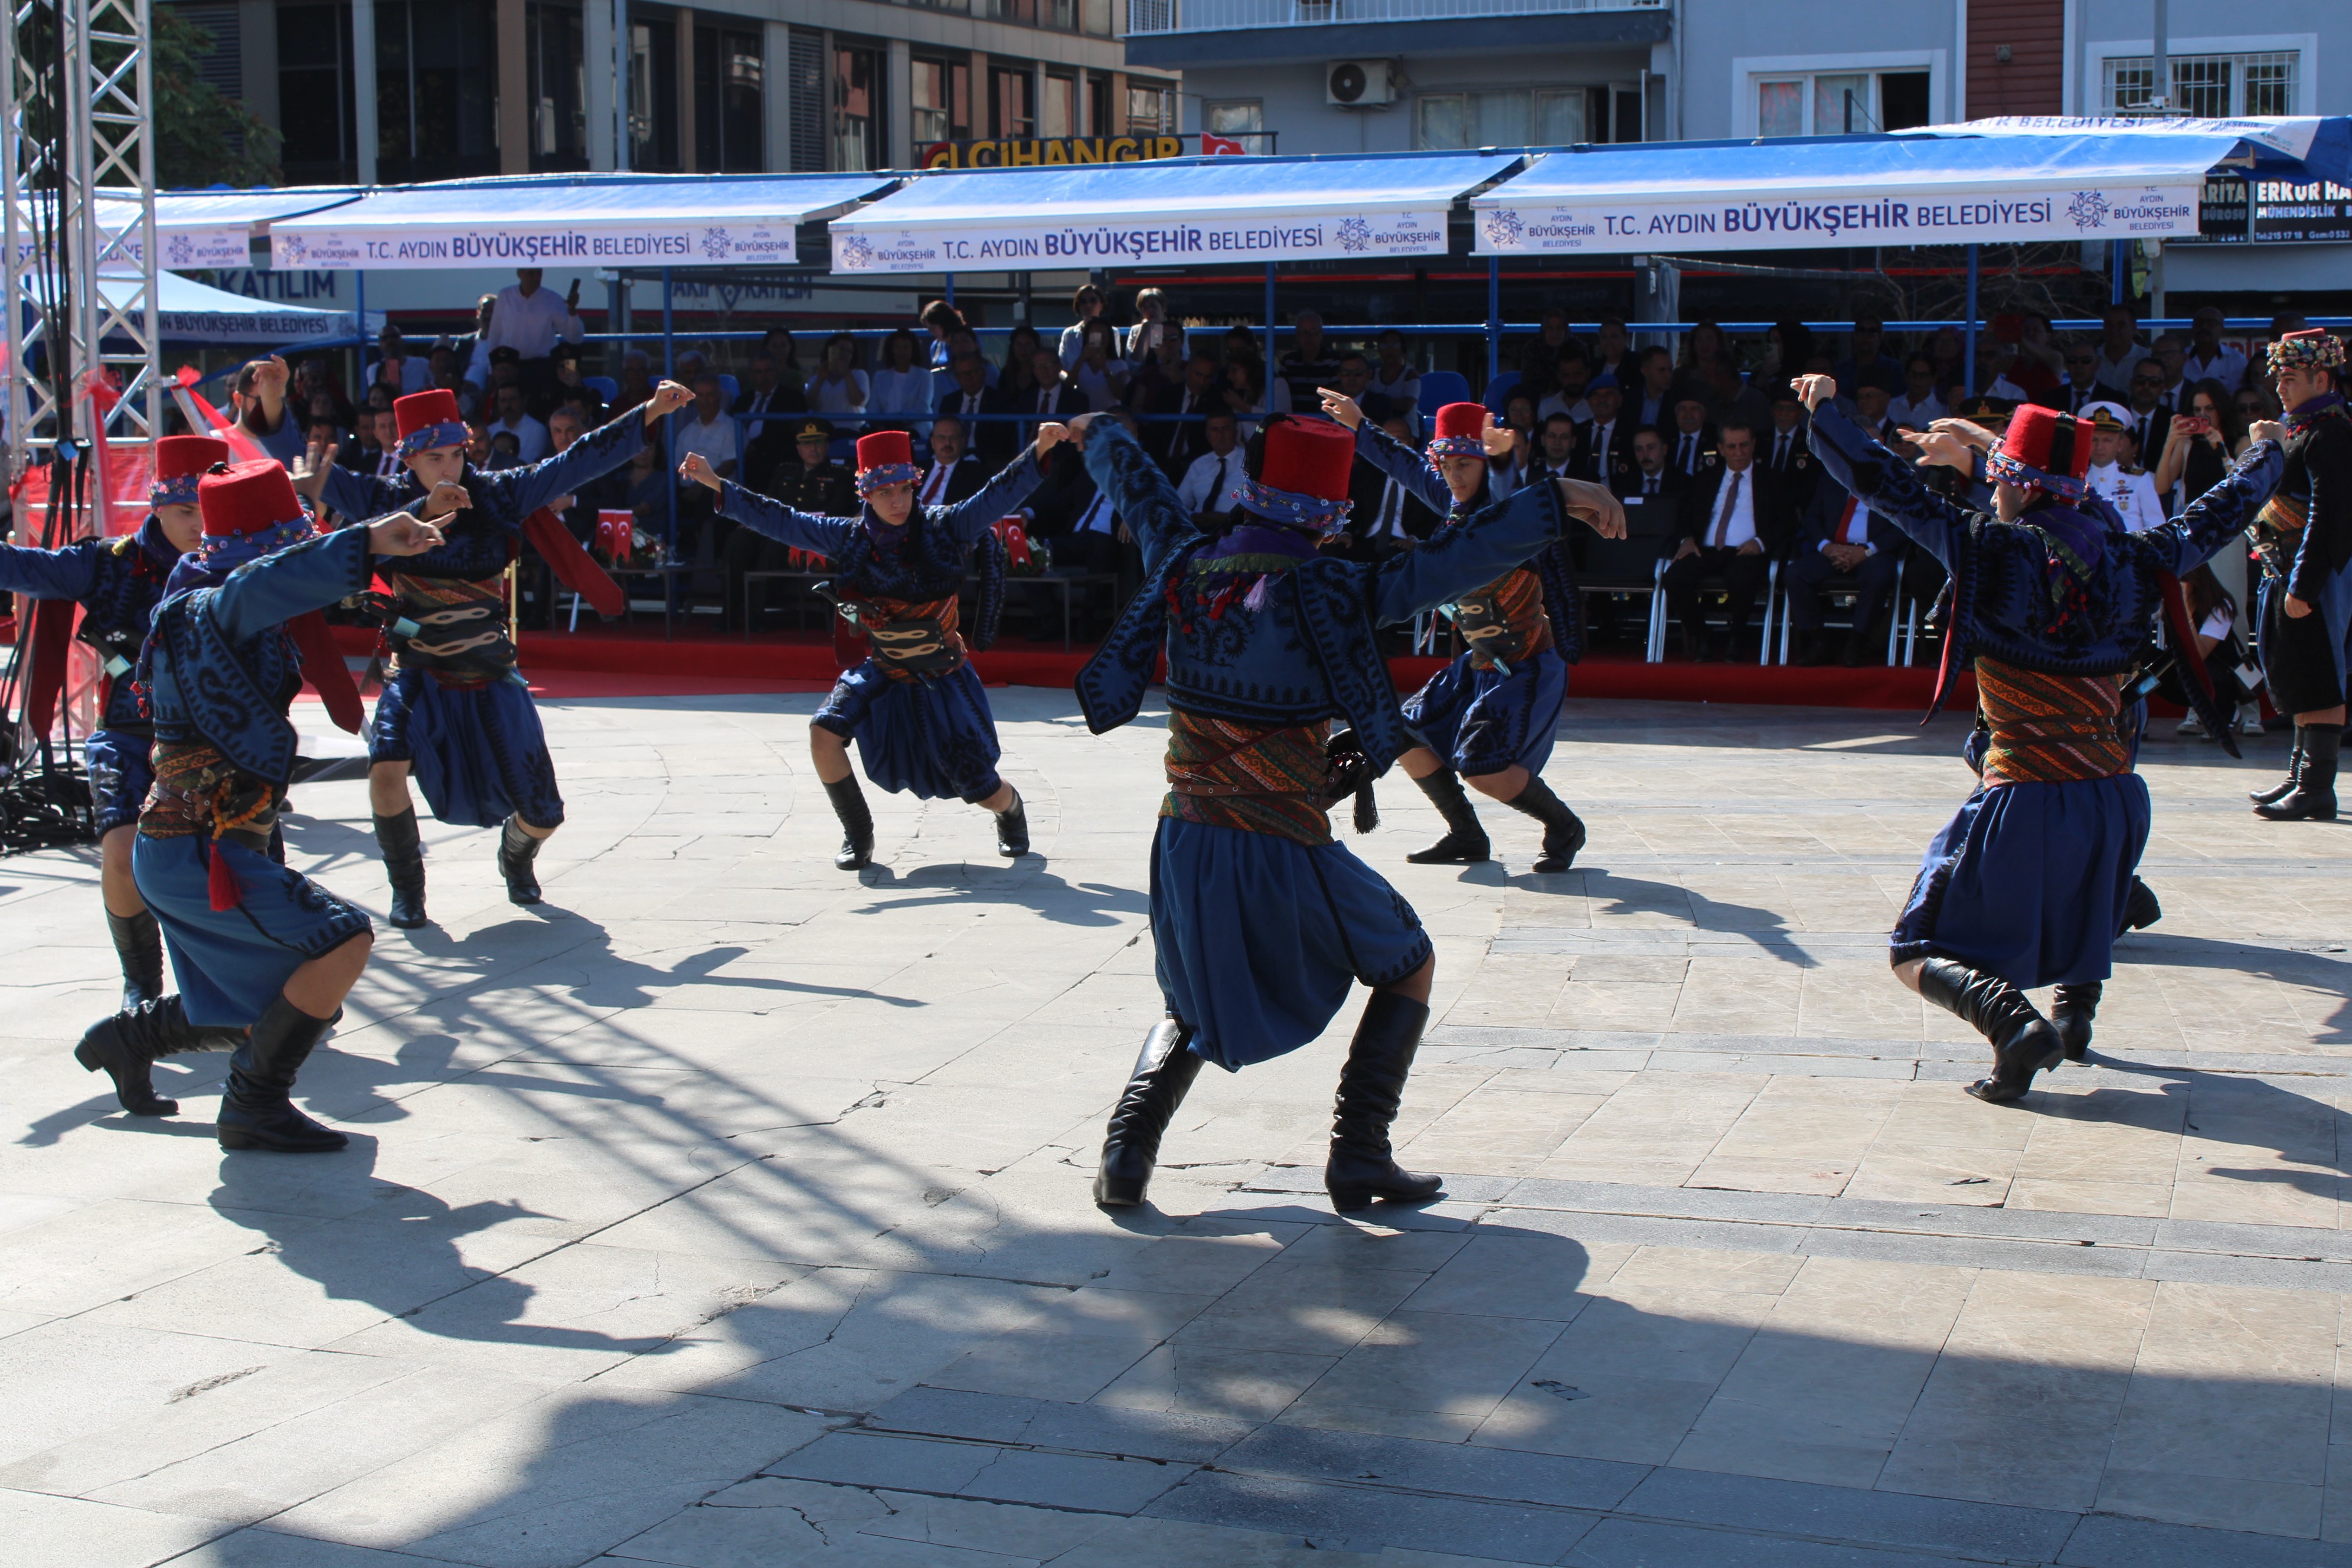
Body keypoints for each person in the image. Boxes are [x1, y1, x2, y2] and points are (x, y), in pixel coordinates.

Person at [1067, 407, 1625, 1212]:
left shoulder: (1185, 560)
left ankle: (1124, 1162)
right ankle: (1359, 1154)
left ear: (1254, 494)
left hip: (1183, 834)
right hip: (1279, 840)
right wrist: (1556, 496)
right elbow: (1453, 559)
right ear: (1329, 516)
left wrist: (1102, 434)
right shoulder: (1332, 588)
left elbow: (1145, 494)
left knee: (1189, 998)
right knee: (1407, 960)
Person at [1798, 374, 2284, 1102]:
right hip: (2117, 797)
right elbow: (2222, 513)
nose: (1992, 493)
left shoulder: (1987, 549)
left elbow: (1883, 483)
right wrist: (2266, 457)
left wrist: (1826, 411)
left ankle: (2014, 1026)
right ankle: (2075, 1018)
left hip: (2027, 796)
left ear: (2019, 487)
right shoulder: (2137, 556)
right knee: (2087, 905)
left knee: (1916, 945)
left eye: (1999, 481)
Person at [71, 460, 445, 1149]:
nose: (298, 554)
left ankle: (129, 1038)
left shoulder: (220, 604)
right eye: (290, 543)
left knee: (280, 997)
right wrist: (365, 542)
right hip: (195, 850)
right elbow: (261, 585)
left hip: (217, 845)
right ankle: (252, 1105)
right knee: (343, 941)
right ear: (257, 553)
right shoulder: (208, 607)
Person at [299, 381, 694, 926]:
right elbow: (281, 470)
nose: (448, 468)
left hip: (489, 668)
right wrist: (277, 420)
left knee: (543, 813)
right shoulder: (382, 500)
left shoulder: (500, 494)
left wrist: (648, 412)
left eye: (456, 455)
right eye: (433, 458)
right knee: (385, 766)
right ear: (408, 457)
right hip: (415, 668)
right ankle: (408, 890)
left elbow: (577, 461)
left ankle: (517, 857)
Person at [682, 424, 1067, 866]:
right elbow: (781, 519)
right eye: (885, 492)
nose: (897, 501)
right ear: (866, 494)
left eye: (904, 489)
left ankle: (1012, 810)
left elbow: (996, 496)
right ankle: (857, 834)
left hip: (940, 673)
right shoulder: (847, 538)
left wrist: (1039, 448)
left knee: (978, 785)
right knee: (823, 732)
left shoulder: (947, 527)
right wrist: (716, 483)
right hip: (884, 667)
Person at [0, 437, 218, 1067]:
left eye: (211, 510)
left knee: (233, 866)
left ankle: (254, 981)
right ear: (160, 506)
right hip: (128, 736)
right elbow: (28, 569)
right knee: (122, 852)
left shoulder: (240, 562)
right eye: (189, 513)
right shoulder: (109, 564)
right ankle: (142, 984)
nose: (202, 527)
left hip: (216, 743)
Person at [1324, 395, 1590, 874]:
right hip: (1480, 664)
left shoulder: (1506, 518)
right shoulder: (1451, 502)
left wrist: (1505, 459)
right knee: (1401, 732)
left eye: (1466, 464)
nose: (1456, 477)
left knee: (1482, 766)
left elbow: (1516, 495)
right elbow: (1404, 467)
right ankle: (1466, 832)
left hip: (1527, 667)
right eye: (1446, 466)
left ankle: (1565, 826)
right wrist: (1361, 426)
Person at [2248, 329, 2352, 821]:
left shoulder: (2332, 432)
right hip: (2284, 565)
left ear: (2322, 377)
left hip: (2312, 571)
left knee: (2320, 672)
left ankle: (2316, 787)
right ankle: (2299, 776)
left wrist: (2304, 584)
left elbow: (2328, 515)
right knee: (2296, 670)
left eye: (2290, 378)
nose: (2281, 387)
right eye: (2279, 378)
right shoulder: (2301, 428)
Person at [1664, 419, 1793, 661]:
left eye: (1744, 445)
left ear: (1754, 445)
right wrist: (1687, 539)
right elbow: (1684, 517)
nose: (1739, 452)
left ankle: (1737, 637)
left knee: (1742, 579)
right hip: (1706, 549)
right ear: (1721, 449)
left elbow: (1787, 522)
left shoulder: (1772, 480)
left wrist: (1761, 543)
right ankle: (1701, 636)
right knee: (1674, 578)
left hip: (1747, 550)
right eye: (1732, 447)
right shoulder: (1706, 479)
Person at [722, 418, 855, 631]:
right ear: (798, 448)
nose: (813, 449)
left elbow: (834, 513)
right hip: (774, 527)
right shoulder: (785, 471)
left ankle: (755, 616)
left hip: (807, 535)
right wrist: (752, 521)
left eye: (819, 443)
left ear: (827, 446)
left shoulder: (840, 476)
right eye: (807, 444)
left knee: (774, 547)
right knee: (738, 541)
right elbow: (768, 503)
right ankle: (728, 615)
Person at [1785, 441, 1902, 668]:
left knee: (1879, 577)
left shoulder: (1895, 482)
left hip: (1873, 552)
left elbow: (1904, 528)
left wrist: (1867, 551)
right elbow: (1811, 518)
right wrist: (1827, 547)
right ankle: (1818, 642)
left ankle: (1857, 643)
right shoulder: (1832, 477)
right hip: (1834, 549)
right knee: (1795, 574)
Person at [470, 270, 584, 397]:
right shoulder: (505, 296)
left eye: (539, 273)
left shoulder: (553, 299)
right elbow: (495, 335)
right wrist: (492, 371)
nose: (536, 278)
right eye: (531, 273)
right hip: (511, 370)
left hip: (543, 368)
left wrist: (572, 312)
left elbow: (575, 338)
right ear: (520, 274)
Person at [2080, 403, 2168, 535]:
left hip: (2130, 551)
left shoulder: (2138, 479)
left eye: (2107, 440)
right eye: (2094, 440)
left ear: (2120, 445)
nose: (2100, 446)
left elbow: (2157, 526)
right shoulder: (2077, 479)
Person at [935, 351, 1017, 468]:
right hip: (952, 458)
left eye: (973, 372)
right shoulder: (949, 402)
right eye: (963, 374)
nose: (969, 378)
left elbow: (1002, 441)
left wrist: (975, 455)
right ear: (957, 377)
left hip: (986, 462)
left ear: (983, 373)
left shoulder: (999, 401)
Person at [1146, 352, 1220, 478]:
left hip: (1195, 470)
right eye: (1198, 374)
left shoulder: (1216, 402)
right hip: (1160, 466)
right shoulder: (1168, 395)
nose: (1202, 382)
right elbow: (1154, 436)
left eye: (1208, 377)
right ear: (1187, 370)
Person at [1175, 409, 1246, 524]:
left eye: (1226, 429)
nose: (1221, 435)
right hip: (1199, 529)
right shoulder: (1199, 465)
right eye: (1215, 430)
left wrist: (1231, 518)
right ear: (1208, 435)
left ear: (1235, 431)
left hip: (1237, 528)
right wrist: (1197, 518)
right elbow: (1179, 504)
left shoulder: (1252, 461)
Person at [868, 328, 936, 430]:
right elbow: (873, 409)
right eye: (897, 347)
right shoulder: (880, 376)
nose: (902, 352)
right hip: (885, 428)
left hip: (915, 428)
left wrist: (898, 421)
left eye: (906, 347)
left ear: (913, 349)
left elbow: (922, 408)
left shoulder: (925, 376)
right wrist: (882, 425)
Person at [916, 414, 986, 508]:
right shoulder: (916, 469)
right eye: (942, 437)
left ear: (962, 441)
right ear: (932, 442)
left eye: (953, 438)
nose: (947, 443)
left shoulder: (976, 474)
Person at [1276, 309, 1340, 413]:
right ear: (1297, 335)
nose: (1308, 337)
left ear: (1321, 334)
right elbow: (1282, 395)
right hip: (1294, 419)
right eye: (1303, 332)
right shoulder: (1288, 362)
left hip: (1325, 420)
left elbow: (1336, 395)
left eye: (1313, 332)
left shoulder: (1333, 360)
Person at [806, 332, 870, 429]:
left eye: (849, 352)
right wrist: (820, 380)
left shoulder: (859, 375)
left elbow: (858, 402)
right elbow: (809, 404)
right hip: (823, 432)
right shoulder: (817, 378)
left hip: (851, 431)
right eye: (841, 350)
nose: (844, 355)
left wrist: (847, 375)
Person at [1832, 317, 1903, 401]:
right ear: (1854, 336)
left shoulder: (1894, 369)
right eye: (1861, 331)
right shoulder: (1840, 370)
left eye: (1872, 331)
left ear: (1880, 338)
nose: (1866, 336)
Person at [1069, 317, 1131, 412]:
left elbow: (1121, 395)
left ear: (1110, 339)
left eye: (1104, 336)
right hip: (1085, 419)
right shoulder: (1080, 365)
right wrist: (1082, 358)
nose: (1100, 340)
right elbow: (1067, 388)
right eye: (1095, 336)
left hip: (1110, 419)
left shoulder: (1119, 365)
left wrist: (1105, 369)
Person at [2183, 306, 2250, 393]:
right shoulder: (2181, 358)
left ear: (2222, 330)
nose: (2204, 327)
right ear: (2193, 327)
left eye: (2211, 323)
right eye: (2200, 323)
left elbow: (2239, 397)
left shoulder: (2236, 360)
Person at [484, 382, 551, 466]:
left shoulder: (538, 430)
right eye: (503, 400)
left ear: (524, 401)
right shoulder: (490, 430)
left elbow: (527, 464)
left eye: (513, 399)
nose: (508, 405)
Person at [2090, 305, 2150, 396]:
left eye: (2121, 325)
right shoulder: (2091, 359)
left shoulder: (2147, 358)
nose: (2114, 330)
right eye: (2109, 325)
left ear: (2134, 328)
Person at [2123, 360, 2175, 461]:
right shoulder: (2116, 416)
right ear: (2131, 383)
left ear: (2163, 388)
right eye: (2141, 380)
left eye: (2154, 382)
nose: (2146, 386)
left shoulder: (2172, 422)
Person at [1368, 329, 1421, 419]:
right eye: (1384, 345)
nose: (1389, 349)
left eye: (1395, 345)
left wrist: (1377, 401)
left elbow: (1406, 406)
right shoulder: (1371, 375)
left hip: (1406, 430)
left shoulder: (1411, 375)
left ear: (1403, 349)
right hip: (1376, 429)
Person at [1889, 354, 1947, 429]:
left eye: (1924, 375)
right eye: (1914, 374)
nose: (1918, 379)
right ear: (1906, 376)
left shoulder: (1941, 412)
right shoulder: (1891, 406)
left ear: (1934, 379)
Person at [1059, 282, 1107, 368]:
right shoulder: (1069, 334)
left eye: (1093, 300)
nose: (1088, 305)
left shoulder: (1112, 332)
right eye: (1083, 302)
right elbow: (1062, 365)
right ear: (1078, 306)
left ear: (1101, 305)